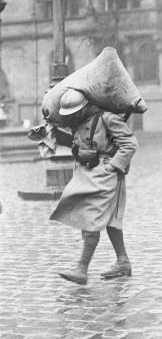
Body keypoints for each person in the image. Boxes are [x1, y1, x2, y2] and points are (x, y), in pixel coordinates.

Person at [51, 88, 138, 284]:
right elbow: (78, 143)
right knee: (107, 220)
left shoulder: (108, 118)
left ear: (84, 108)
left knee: (92, 217)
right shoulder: (80, 122)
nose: (72, 117)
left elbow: (130, 143)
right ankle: (123, 262)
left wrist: (113, 166)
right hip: (85, 174)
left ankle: (81, 268)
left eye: (74, 112)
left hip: (105, 174)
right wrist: (53, 133)